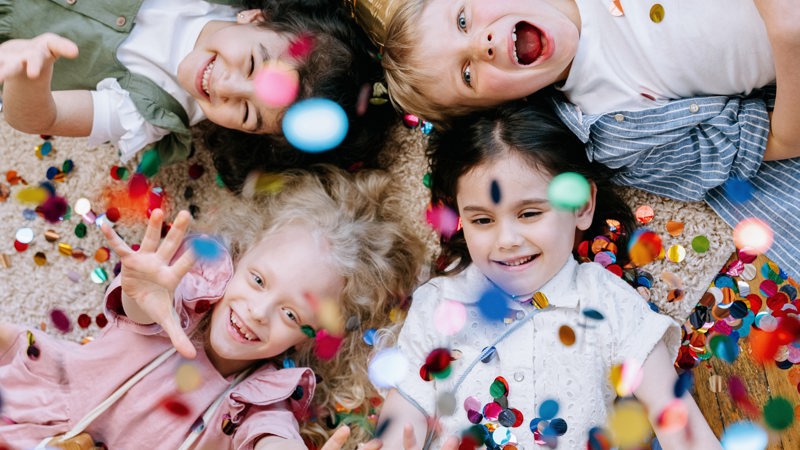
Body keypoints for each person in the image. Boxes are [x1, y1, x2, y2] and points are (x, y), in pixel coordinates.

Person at [365, 102, 721, 449]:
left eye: (530, 213)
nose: (506, 240)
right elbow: (406, 409)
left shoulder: (606, 302)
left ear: (581, 206)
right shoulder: (440, 305)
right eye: (482, 220)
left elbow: (680, 424)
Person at [0, 166, 426, 449]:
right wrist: (139, 293)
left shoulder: (264, 400)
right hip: (43, 419)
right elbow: (139, 310)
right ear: (241, 254)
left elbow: (274, 440)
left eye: (292, 315)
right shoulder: (180, 298)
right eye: (258, 280)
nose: (259, 311)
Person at [379, 0, 800, 279]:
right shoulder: (615, 130)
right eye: (467, 75)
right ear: (498, 108)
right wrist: (787, 35)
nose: (482, 44)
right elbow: (783, 139)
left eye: (463, 20)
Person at [0, 0, 393, 187]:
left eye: (247, 113)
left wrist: (28, 71)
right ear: (257, 18)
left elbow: (40, 118)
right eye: (253, 65)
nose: (224, 86)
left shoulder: (151, 110)